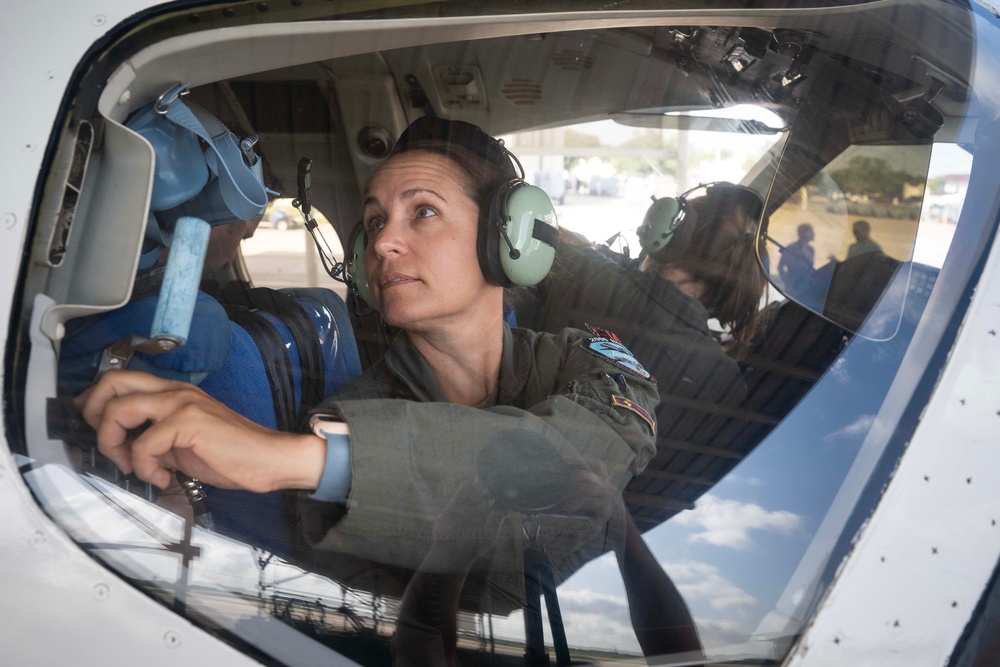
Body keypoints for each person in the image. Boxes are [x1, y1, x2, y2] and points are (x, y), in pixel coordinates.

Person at [78, 117, 660, 640]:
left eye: (423, 211)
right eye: (375, 221)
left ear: (511, 239)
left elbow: (582, 458)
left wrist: (288, 459)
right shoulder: (342, 419)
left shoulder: (591, 363)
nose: (383, 242)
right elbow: (459, 619)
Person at [59, 91, 361, 551]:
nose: (230, 256)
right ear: (214, 218)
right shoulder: (199, 329)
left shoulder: (116, 288)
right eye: (241, 234)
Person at [777, 222, 816, 288]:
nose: (813, 234)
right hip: (794, 286)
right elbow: (780, 267)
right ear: (804, 234)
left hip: (807, 285)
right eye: (810, 231)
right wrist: (787, 282)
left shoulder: (811, 249)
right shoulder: (791, 248)